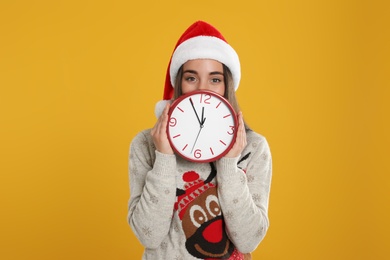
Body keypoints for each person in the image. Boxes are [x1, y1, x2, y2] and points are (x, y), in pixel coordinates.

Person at [127, 21, 272, 260]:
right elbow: (149, 236)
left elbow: (248, 239)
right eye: (191, 78)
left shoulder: (253, 147)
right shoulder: (146, 144)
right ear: (179, 85)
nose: (202, 89)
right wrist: (164, 158)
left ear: (227, 86)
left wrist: (229, 163)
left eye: (214, 80)